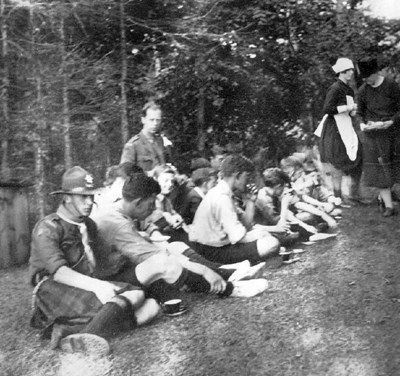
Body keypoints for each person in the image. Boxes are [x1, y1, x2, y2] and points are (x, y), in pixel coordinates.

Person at [29, 167, 160, 356]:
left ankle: (70, 332)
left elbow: (98, 262)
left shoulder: (88, 225)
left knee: (150, 306)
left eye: (92, 196)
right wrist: (98, 286)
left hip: (83, 287)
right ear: (66, 197)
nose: (90, 202)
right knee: (133, 299)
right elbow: (58, 272)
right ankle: (87, 335)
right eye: (83, 197)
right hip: (51, 291)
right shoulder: (48, 227)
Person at [91, 172, 271, 299]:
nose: (154, 209)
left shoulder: (119, 207)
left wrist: (152, 233)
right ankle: (229, 288)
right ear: (138, 202)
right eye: (151, 204)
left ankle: (226, 272)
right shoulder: (118, 223)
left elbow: (145, 225)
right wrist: (203, 270)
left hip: (121, 265)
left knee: (174, 246)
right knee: (165, 262)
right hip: (113, 278)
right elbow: (158, 256)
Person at [188, 154, 281, 265]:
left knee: (264, 235)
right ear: (237, 176)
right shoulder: (222, 198)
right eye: (246, 177)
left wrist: (251, 201)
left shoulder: (224, 192)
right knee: (271, 243)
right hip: (212, 251)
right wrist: (264, 235)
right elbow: (239, 237)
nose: (248, 181)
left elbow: (246, 226)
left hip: (216, 245)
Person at [357, 57, 400, 217]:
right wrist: (362, 124)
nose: (366, 80)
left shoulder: (391, 86)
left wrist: (391, 121)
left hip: (393, 133)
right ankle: (389, 206)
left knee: (396, 167)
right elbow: (360, 113)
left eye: (368, 77)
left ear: (375, 73)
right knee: (380, 172)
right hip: (373, 137)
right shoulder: (363, 90)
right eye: (364, 78)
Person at [316, 57, 362, 203]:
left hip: (346, 127)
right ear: (341, 72)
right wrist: (347, 108)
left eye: (351, 71)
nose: (351, 73)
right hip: (334, 129)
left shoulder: (348, 89)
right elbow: (327, 109)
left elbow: (349, 111)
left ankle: (354, 194)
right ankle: (337, 196)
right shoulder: (335, 88)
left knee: (356, 156)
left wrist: (353, 110)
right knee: (337, 161)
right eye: (348, 71)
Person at [120, 101, 170, 173]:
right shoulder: (133, 145)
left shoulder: (160, 140)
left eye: (158, 120)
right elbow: (125, 174)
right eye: (151, 120)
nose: (155, 123)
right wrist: (152, 173)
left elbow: (164, 165)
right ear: (143, 120)